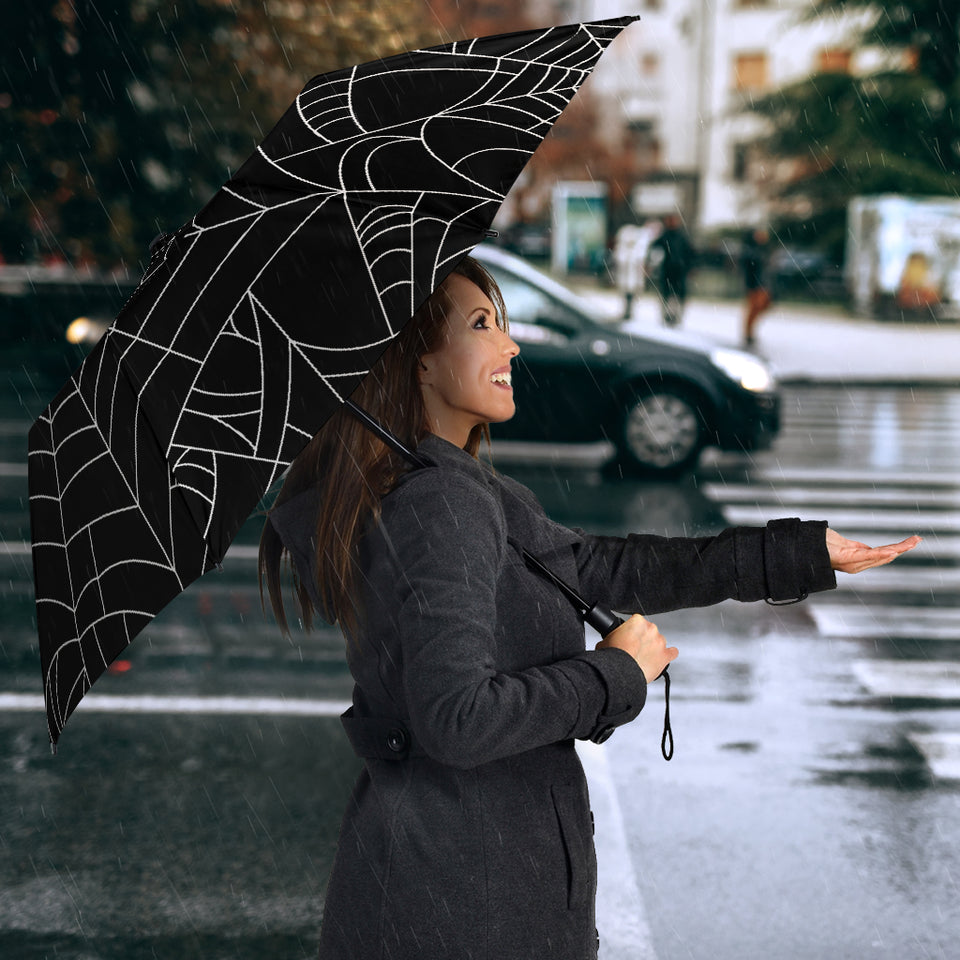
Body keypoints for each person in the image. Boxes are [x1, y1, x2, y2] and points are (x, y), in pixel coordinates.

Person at [259, 257, 919, 960]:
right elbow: (456, 720)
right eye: (482, 325)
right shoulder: (439, 503)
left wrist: (795, 554)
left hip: (454, 883)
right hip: (466, 902)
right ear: (418, 363)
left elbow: (603, 567)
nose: (510, 345)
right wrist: (613, 673)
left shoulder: (452, 488)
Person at [648, 213, 695, 327]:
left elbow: (690, 253)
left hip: (679, 271)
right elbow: (654, 249)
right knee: (667, 294)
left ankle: (675, 316)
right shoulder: (665, 236)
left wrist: (690, 267)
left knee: (677, 295)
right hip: (668, 270)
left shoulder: (681, 237)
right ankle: (667, 315)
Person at [741, 226, 773, 347]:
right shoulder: (751, 250)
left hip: (763, 283)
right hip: (755, 284)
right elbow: (750, 265)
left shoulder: (763, 249)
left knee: (762, 306)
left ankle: (750, 331)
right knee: (754, 308)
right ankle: (748, 333)